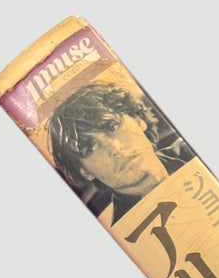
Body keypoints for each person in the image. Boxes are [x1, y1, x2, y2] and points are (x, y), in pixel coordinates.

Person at [48, 83, 194, 225]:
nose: (115, 149)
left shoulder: (191, 154)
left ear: (138, 121)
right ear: (86, 172)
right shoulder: (127, 233)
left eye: (111, 128)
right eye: (90, 148)